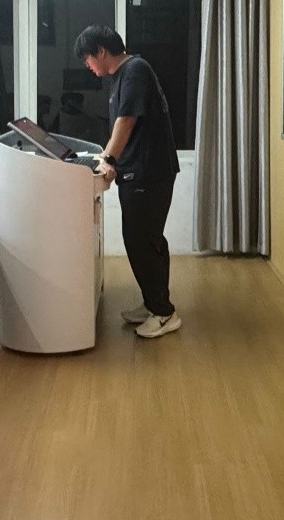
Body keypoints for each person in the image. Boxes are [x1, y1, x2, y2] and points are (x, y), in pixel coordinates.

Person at [74, 25, 181, 339]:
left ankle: (164, 313)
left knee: (143, 241)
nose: (87, 66)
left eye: (87, 59)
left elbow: (127, 121)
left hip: (149, 173)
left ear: (101, 51)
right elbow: (124, 125)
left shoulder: (135, 70)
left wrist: (109, 159)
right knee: (145, 240)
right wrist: (107, 156)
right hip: (140, 171)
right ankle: (154, 303)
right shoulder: (124, 75)